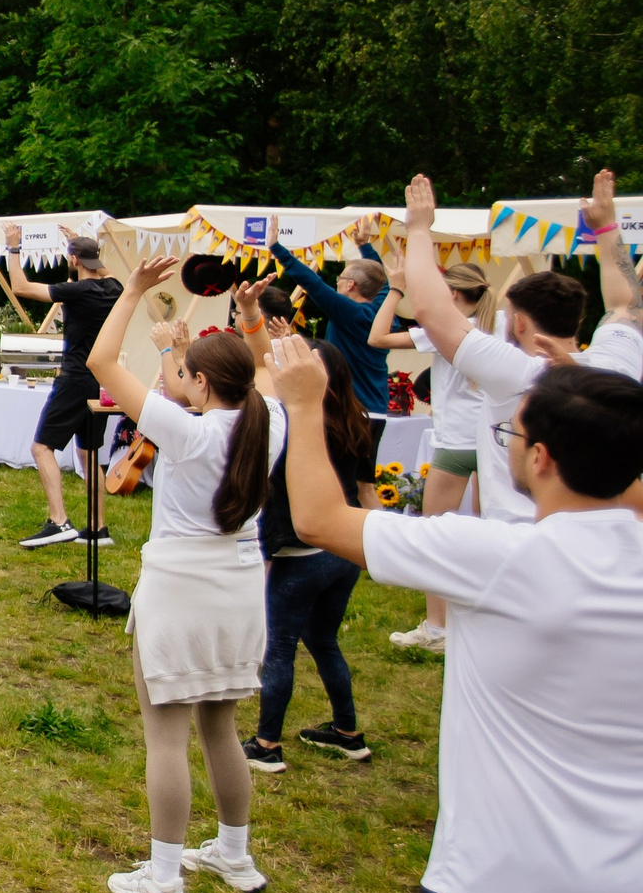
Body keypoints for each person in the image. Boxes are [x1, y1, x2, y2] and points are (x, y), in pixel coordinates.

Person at [269, 336, 643, 893]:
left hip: (503, 880)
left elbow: (320, 517)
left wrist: (303, 401)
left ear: (537, 458)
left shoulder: (501, 556)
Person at [86, 253, 282, 893]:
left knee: (165, 733)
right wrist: (251, 317)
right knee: (221, 724)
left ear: (199, 383)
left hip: (179, 586)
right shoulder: (271, 421)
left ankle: (164, 875)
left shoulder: (188, 431)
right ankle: (235, 851)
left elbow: (103, 362)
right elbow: (272, 370)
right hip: (241, 585)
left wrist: (135, 289)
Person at [401, 172, 643, 529]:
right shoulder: (615, 365)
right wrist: (606, 227)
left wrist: (419, 230)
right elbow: (625, 303)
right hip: (608, 532)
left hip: (519, 535)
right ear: (578, 320)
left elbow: (430, 311)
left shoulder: (516, 374)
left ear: (519, 324)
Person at [245, 330, 376, 773]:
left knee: (279, 647)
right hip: (345, 550)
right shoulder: (356, 418)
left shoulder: (293, 425)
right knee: (322, 640)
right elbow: (365, 491)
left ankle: (266, 744)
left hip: (301, 555)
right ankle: (347, 733)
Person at [368, 254, 499, 651]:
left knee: (434, 534)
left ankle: (437, 629)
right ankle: (490, 616)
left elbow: (377, 339)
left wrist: (395, 288)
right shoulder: (501, 324)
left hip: (456, 441)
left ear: (454, 294)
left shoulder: (444, 328)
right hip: (493, 440)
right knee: (496, 530)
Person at [2, 225, 124, 547]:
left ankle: (59, 522)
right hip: (100, 381)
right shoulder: (115, 288)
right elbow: (101, 268)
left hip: (74, 378)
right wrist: (83, 247)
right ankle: (98, 529)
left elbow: (20, 286)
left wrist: (13, 247)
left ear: (72, 259)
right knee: (89, 453)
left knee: (41, 447)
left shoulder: (78, 291)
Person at [267, 233, 393, 415]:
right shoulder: (384, 312)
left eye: (339, 279)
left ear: (350, 285)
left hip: (350, 409)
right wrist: (364, 245)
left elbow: (314, 284)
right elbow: (382, 282)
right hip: (377, 407)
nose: (336, 285)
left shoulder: (352, 313)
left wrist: (277, 249)